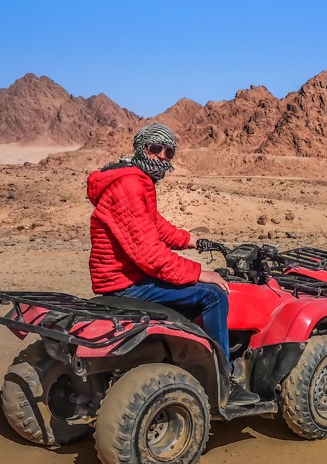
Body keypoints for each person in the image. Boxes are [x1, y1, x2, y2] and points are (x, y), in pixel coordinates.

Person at [86, 122, 259, 405]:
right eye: (155, 148)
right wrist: (200, 273)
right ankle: (224, 379)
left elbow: (152, 224)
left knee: (190, 286)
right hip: (127, 282)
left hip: (124, 275)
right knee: (214, 295)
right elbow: (150, 255)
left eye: (169, 152)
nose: (162, 157)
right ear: (141, 148)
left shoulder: (133, 179)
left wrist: (190, 240)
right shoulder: (130, 185)